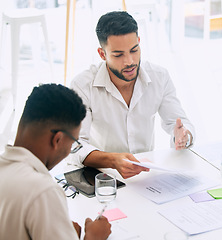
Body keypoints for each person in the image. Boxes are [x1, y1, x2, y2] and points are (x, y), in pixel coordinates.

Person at [69, 11, 195, 179]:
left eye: (134, 50)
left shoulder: (159, 76)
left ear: (139, 43)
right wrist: (113, 160)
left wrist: (184, 136)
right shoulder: (82, 85)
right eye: (118, 55)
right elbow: (75, 146)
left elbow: (179, 122)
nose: (129, 61)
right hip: (104, 177)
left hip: (147, 176)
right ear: (102, 54)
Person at [0, 84, 112, 239]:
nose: (68, 151)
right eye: (73, 142)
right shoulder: (43, 191)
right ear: (57, 139)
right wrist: (93, 237)